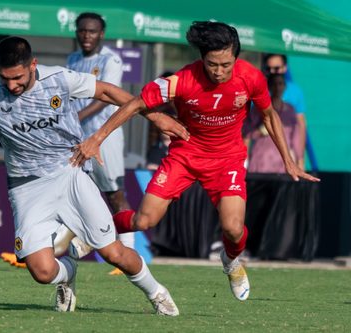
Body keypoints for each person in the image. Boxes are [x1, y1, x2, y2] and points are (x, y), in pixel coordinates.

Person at [0, 36, 188, 315]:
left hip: (70, 172)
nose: (12, 85)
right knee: (42, 272)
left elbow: (108, 91)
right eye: (6, 78)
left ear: (33, 65)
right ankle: (69, 267)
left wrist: (157, 116)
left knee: (114, 254)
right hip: (27, 187)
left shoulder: (59, 79)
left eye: (18, 77)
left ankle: (157, 293)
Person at [71, 21, 320, 302]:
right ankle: (94, 230)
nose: (219, 71)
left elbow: (268, 115)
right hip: (185, 155)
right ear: (202, 58)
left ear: (235, 57)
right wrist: (97, 138)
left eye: (226, 64)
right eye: (213, 64)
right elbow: (136, 103)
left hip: (227, 159)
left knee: (234, 229)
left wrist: (288, 160)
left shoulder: (251, 78)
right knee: (144, 220)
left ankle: (231, 261)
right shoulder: (181, 80)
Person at [66, 12, 133, 275]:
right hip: (79, 137)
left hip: (106, 135)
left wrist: (77, 116)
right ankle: (87, 239)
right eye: (82, 31)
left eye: (92, 31)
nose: (86, 36)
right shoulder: (72, 59)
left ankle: (129, 253)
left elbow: (106, 97)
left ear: (101, 34)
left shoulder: (111, 60)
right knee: (80, 190)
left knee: (114, 193)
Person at [244, 74, 303, 173]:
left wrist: (299, 160)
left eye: (280, 84)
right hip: (261, 162)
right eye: (274, 84)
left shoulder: (290, 110)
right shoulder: (258, 108)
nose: (277, 87)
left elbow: (295, 138)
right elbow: (247, 133)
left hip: (282, 165)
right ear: (269, 87)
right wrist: (261, 131)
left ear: (284, 86)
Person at [263, 54, 306, 170]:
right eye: (268, 69)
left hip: (287, 157)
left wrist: (300, 158)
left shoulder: (295, 91)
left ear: (284, 68)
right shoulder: (260, 89)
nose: (273, 72)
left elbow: (300, 125)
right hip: (263, 157)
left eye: (276, 68)